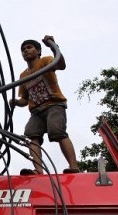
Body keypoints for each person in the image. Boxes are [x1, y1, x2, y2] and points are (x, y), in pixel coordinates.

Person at [10, 35, 79, 175]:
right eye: (23, 49)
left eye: (29, 48)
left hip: (54, 105)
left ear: (38, 51)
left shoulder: (45, 61)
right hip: (36, 111)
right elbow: (25, 99)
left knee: (57, 132)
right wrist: (16, 102)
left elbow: (61, 65)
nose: (26, 51)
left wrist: (53, 45)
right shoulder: (23, 76)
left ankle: (74, 167)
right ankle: (38, 170)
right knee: (31, 135)